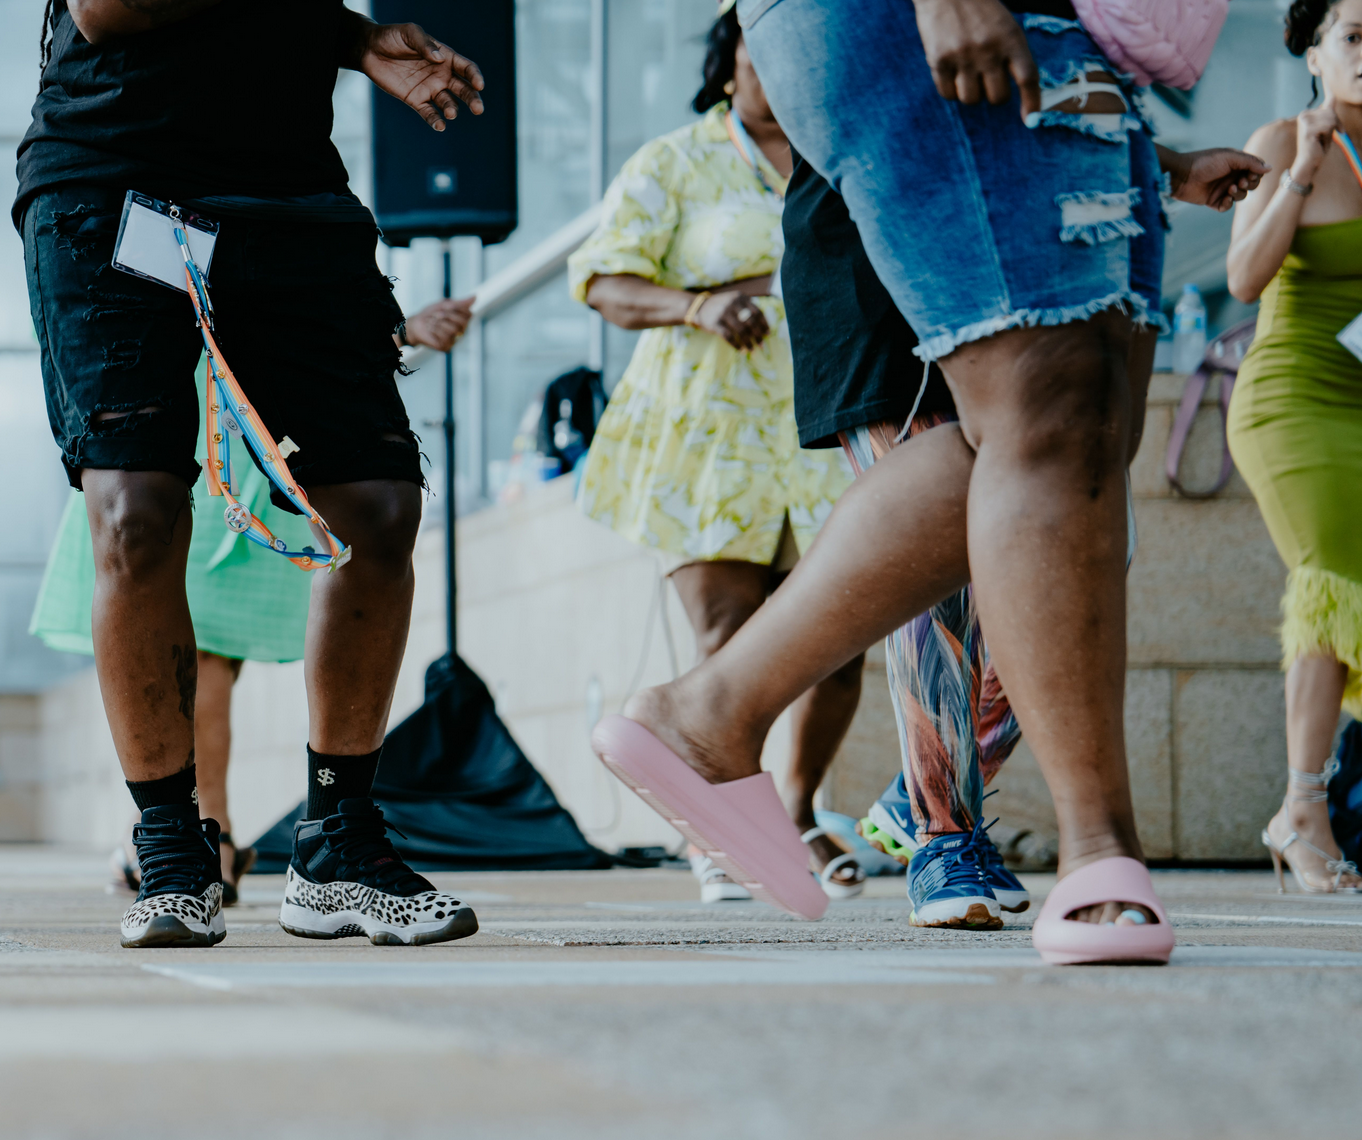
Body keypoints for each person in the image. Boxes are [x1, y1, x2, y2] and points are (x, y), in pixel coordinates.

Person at [590, 0, 1267, 962]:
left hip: (1060, 37)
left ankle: (712, 712)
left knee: (1080, 422)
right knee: (1045, 407)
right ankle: (1081, 847)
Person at [18, 0, 484, 948]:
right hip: (114, 173)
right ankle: (173, 850)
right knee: (136, 510)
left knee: (379, 504)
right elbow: (109, 13)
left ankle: (339, 845)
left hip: (285, 189)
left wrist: (351, 39)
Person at [31, 297, 475, 907]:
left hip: (251, 435)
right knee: (198, 647)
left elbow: (304, 299)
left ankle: (205, 837)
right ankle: (197, 835)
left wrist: (396, 329)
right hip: (175, 415)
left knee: (215, 655)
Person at [568, 5, 866, 901]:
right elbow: (604, 279)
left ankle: (798, 807)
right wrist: (696, 306)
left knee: (841, 639)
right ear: (729, 59)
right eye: (759, 46)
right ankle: (711, 825)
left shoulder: (842, 155)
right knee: (725, 635)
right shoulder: (674, 160)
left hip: (824, 416)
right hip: (710, 434)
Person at [781, 149, 1031, 928]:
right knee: (939, 576)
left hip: (1013, 269)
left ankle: (915, 792)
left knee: (1074, 570)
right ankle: (942, 834)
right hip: (879, 276)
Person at [1226, 0, 1362, 894]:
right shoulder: (1279, 140)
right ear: (1313, 54)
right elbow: (1242, 278)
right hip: (1291, 400)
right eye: (1352, 36)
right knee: (1332, 578)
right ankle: (1301, 808)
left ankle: (1309, 808)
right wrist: (1303, 172)